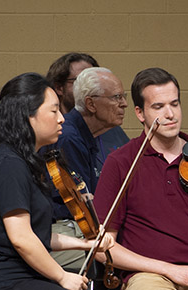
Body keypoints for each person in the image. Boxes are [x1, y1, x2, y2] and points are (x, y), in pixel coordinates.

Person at [93, 68, 188, 290]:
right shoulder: (121, 162)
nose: (170, 114)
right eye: (159, 107)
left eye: (174, 104)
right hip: (148, 275)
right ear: (140, 113)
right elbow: (102, 248)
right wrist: (170, 270)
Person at [0, 72, 113, 290]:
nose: (61, 118)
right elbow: (21, 238)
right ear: (28, 115)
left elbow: (39, 234)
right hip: (4, 281)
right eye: (54, 110)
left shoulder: (26, 162)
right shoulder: (8, 163)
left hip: (26, 275)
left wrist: (85, 244)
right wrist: (62, 276)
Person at [44, 57, 131, 272]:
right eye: (116, 97)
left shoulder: (84, 134)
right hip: (63, 230)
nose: (124, 104)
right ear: (91, 104)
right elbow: (82, 204)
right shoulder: (70, 137)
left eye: (123, 96)